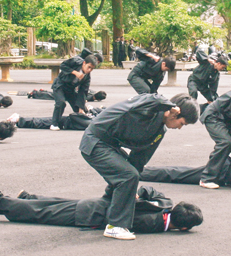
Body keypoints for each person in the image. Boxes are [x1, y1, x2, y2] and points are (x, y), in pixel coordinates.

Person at [79, 93, 199, 240]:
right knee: (128, 175)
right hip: (95, 141)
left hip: (109, 146)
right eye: (182, 124)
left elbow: (139, 160)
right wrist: (168, 105)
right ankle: (115, 226)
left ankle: (110, 201)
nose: (180, 128)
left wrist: (130, 191)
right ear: (175, 114)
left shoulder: (159, 131)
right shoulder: (149, 110)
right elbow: (149, 97)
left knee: (131, 172)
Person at [0, 186, 202, 234]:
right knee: (43, 214)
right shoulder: (154, 224)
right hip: (91, 215)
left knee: (52, 205)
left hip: (96, 206)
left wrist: (139, 193)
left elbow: (151, 191)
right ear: (182, 227)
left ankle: (27, 198)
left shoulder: (165, 204)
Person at [49, 53, 98, 131]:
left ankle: (75, 123)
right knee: (61, 103)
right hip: (60, 85)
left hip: (70, 89)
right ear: (84, 63)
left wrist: (81, 107)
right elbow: (62, 65)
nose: (89, 70)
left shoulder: (87, 77)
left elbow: (83, 91)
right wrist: (75, 72)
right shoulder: (76, 61)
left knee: (80, 110)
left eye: (92, 69)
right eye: (88, 67)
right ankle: (54, 124)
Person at [6, 108, 99, 131]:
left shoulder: (91, 123)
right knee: (41, 121)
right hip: (64, 122)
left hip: (64, 122)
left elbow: (73, 116)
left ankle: (18, 120)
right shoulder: (94, 122)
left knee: (41, 122)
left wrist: (82, 114)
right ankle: (19, 119)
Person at [26, 88, 107, 103]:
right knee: (51, 96)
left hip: (71, 90)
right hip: (69, 95)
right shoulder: (90, 97)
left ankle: (40, 92)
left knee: (52, 94)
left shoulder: (92, 91)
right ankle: (35, 93)